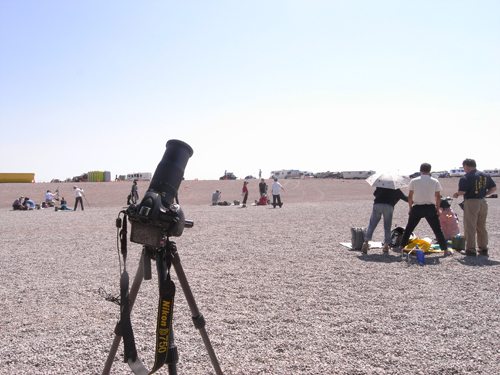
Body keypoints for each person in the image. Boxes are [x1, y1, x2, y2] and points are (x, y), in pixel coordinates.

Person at [399, 163, 449, 256]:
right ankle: (445, 250)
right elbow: (438, 197)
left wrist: (410, 208)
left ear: (420, 170)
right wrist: (437, 209)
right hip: (430, 207)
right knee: (437, 229)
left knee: (409, 228)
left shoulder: (414, 181)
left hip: (417, 206)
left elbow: (410, 196)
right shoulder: (435, 181)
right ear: (429, 171)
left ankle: (401, 247)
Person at [453, 158, 497, 256]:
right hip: (483, 201)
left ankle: (470, 249)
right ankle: (483, 248)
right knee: (481, 226)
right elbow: (493, 188)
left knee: (470, 226)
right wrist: (485, 194)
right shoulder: (485, 175)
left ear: (466, 166)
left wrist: (456, 194)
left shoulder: (466, 177)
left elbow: (462, 191)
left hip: (471, 202)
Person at [361, 187, 408, 254]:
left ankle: (366, 242)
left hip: (378, 204)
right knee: (387, 227)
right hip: (389, 206)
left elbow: (374, 193)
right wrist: (414, 201)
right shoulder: (395, 188)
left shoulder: (380, 186)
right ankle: (386, 245)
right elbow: (404, 197)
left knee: (372, 224)